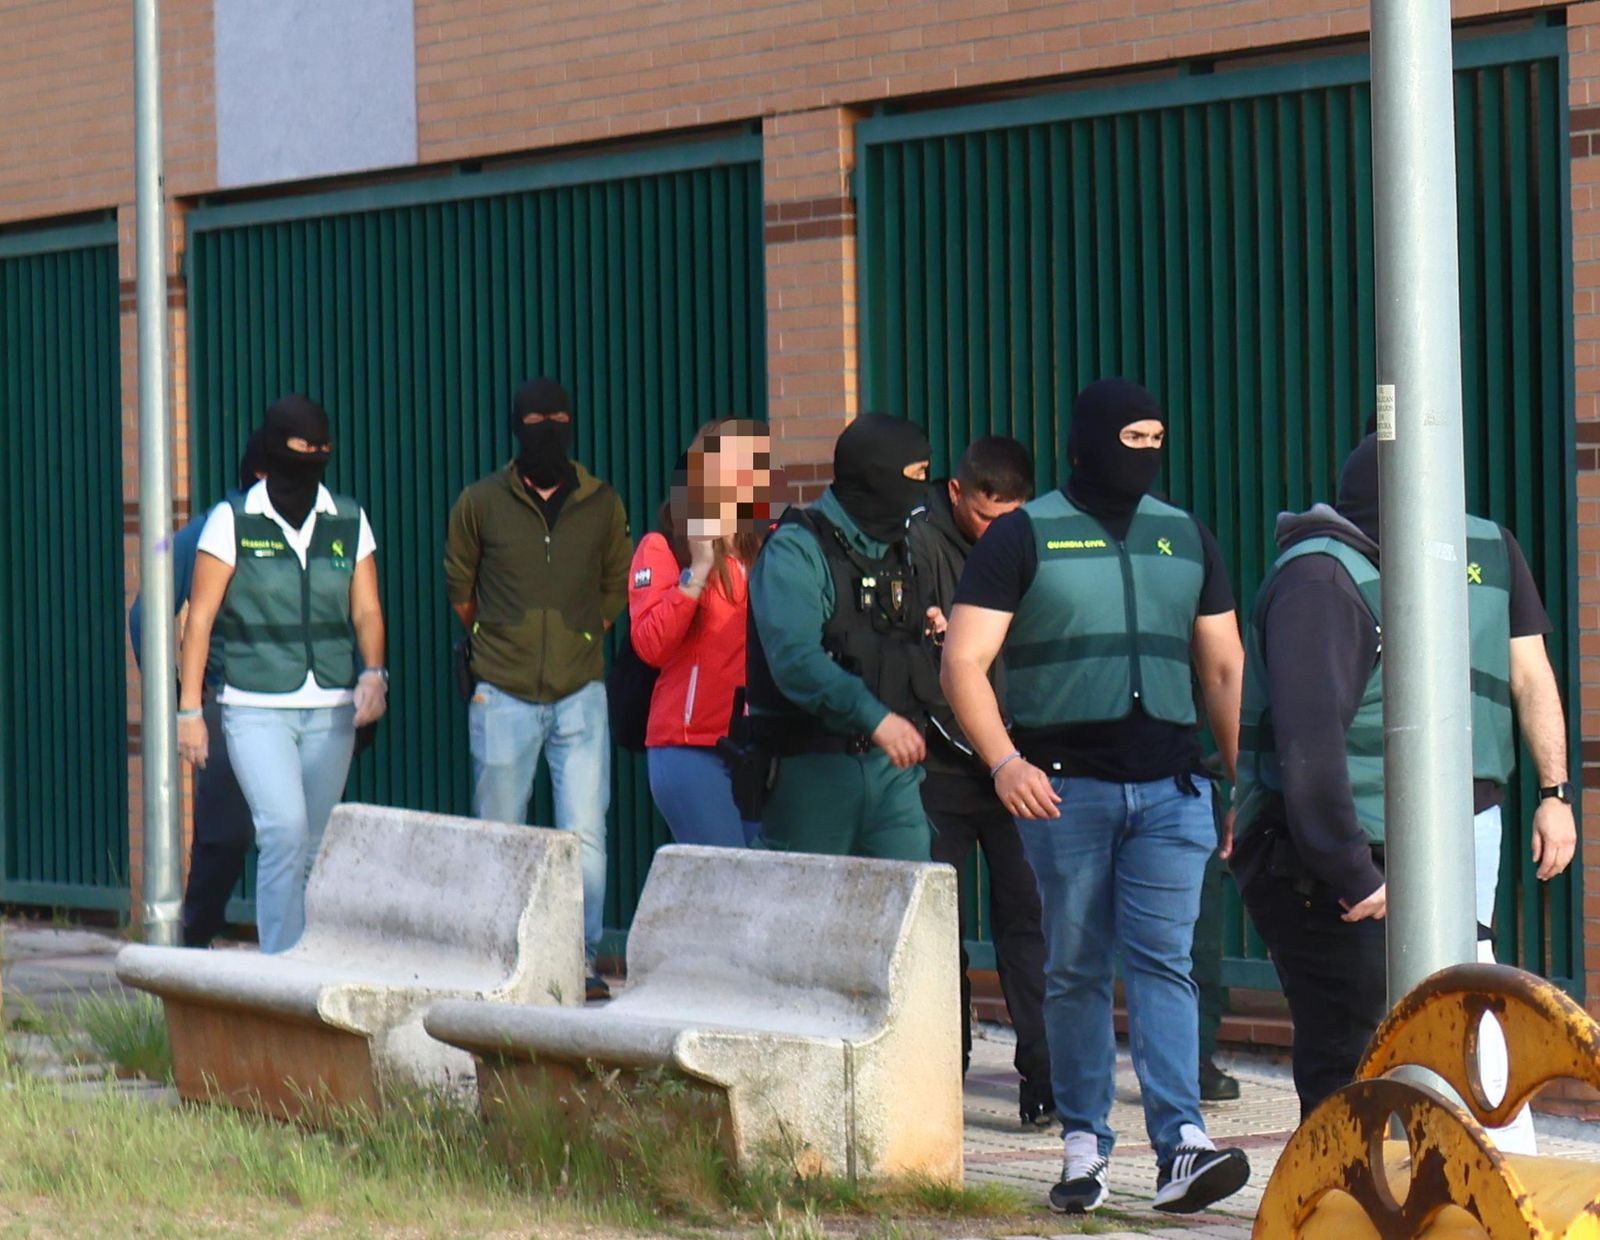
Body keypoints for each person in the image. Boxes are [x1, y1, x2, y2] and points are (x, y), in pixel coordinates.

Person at [942, 378, 1251, 1216]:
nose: (1145, 454)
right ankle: (1084, 1142)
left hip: (1174, 789)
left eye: (1157, 438)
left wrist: (1241, 781)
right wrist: (1004, 762)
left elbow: (1222, 668)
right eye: (1131, 438)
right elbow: (963, 662)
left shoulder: (1183, 535)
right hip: (1063, 791)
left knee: (1165, 963)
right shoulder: (1023, 537)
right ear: (1087, 442)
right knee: (1074, 969)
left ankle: (1181, 1145)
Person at [1231, 433, 1576, 1131]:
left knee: (1431, 1033)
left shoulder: (1438, 555)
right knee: (1354, 1057)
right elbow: (1311, 749)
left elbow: (1530, 671)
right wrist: (1355, 875)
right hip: (1331, 865)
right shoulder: (1324, 581)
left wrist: (1553, 793)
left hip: (1420, 836)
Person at [175, 396, 387, 954]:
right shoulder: (233, 520)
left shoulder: (348, 518)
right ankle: (279, 969)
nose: (312, 461)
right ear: (273, 449)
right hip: (253, 705)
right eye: (300, 449)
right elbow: (197, 619)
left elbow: (366, 609)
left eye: (322, 450)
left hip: (333, 706)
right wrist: (191, 711)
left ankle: (307, 959)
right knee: (284, 833)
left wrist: (374, 675)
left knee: (314, 845)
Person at [444, 377, 631, 999]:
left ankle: (578, 961)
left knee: (585, 834)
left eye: (558, 417)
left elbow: (615, 584)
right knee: (500, 831)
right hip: (501, 692)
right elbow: (461, 588)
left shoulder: (602, 504)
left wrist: (585, 635)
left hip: (581, 693)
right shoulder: (480, 502)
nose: (546, 427)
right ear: (515, 426)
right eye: (534, 418)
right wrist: (500, 642)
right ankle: (498, 958)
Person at [906, 435, 1054, 1128]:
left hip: (1015, 758)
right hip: (942, 761)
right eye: (988, 518)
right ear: (958, 493)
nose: (999, 533)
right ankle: (944, 1070)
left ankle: (1043, 1079)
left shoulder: (1037, 539)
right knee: (944, 926)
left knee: (1028, 920)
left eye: (1012, 517)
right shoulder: (918, 539)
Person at [746, 412, 940, 860]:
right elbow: (796, 660)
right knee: (802, 916)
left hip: (893, 772)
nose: (920, 490)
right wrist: (874, 718)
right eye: (913, 477)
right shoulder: (797, 548)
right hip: (813, 771)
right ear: (874, 477)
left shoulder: (902, 547)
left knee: (912, 909)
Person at [130, 433, 266, 948]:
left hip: (286, 701)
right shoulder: (213, 527)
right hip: (232, 701)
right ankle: (190, 951)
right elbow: (147, 615)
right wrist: (182, 699)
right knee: (225, 834)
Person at [629, 418, 771, 847]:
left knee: (764, 886)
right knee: (728, 885)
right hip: (689, 746)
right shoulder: (665, 546)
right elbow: (650, 644)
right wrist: (699, 572)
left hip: (755, 746)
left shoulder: (764, 548)